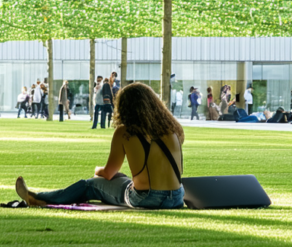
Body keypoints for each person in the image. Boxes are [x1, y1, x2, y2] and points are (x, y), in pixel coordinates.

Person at [15, 82, 184, 209]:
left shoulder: (125, 132)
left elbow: (108, 173)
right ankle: (38, 198)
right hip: (176, 197)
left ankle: (37, 198)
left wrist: (98, 171)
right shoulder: (171, 130)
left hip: (146, 198)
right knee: (121, 178)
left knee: (90, 185)